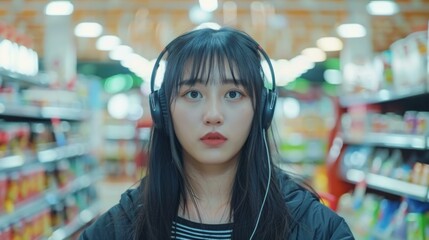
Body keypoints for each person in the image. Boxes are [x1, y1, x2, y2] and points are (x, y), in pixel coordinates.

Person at [79, 27, 354, 240]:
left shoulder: (314, 226)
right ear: (163, 109)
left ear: (262, 110)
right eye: (193, 93)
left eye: (233, 94)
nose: (213, 114)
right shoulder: (122, 225)